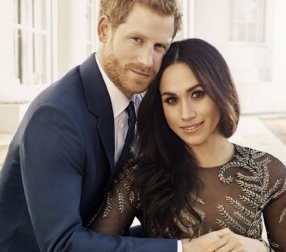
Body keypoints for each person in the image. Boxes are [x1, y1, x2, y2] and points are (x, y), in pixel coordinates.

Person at [0, 1, 267, 251]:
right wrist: (181, 248)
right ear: (104, 29)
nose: (147, 60)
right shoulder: (57, 117)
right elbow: (62, 244)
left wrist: (228, 238)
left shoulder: (141, 103)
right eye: (137, 39)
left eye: (160, 46)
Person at [88, 38, 286, 252]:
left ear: (221, 91)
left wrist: (262, 249)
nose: (186, 114)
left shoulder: (267, 171)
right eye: (171, 100)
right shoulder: (141, 174)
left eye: (197, 94)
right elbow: (91, 247)